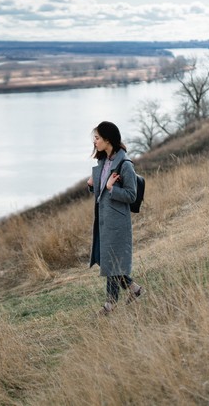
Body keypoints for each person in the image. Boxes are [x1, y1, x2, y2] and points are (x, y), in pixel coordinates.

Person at [87, 121, 145, 315]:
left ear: (107, 139)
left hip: (118, 223)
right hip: (104, 221)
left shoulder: (125, 164)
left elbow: (131, 195)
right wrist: (92, 184)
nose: (94, 142)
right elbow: (102, 191)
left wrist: (113, 188)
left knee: (111, 262)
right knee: (109, 262)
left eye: (97, 138)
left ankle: (109, 305)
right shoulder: (104, 162)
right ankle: (134, 289)